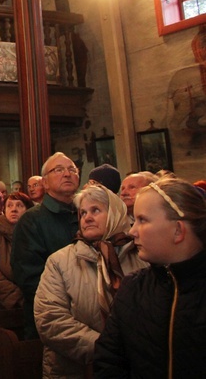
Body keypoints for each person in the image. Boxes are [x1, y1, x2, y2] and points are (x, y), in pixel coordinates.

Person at [94, 178, 206, 377]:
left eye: (142, 220)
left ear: (178, 230)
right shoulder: (132, 288)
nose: (132, 231)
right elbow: (108, 361)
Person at [34, 185, 147, 378]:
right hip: (75, 370)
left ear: (115, 213)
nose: (86, 218)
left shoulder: (142, 256)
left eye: (95, 210)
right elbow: (50, 319)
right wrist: (106, 348)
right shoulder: (60, 261)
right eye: (82, 213)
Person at [11, 152, 80, 339]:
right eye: (58, 170)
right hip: (52, 318)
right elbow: (29, 277)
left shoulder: (86, 214)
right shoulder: (32, 220)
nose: (67, 174)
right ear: (45, 183)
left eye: (72, 169)